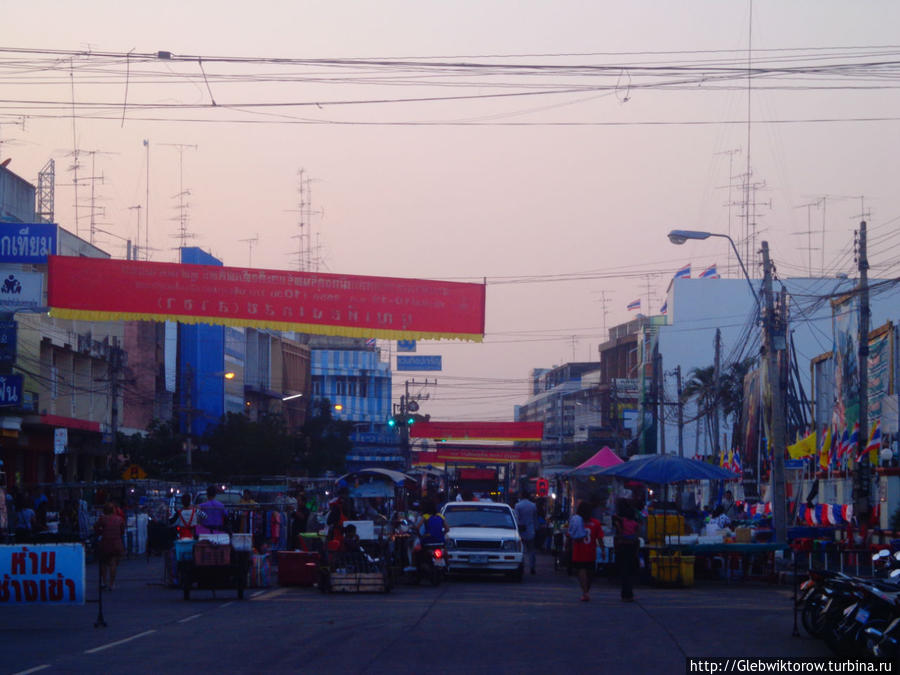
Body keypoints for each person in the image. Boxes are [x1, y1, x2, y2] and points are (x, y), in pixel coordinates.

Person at [568, 501, 603, 602]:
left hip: (579, 550)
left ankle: (585, 592)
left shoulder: (576, 521)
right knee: (590, 571)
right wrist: (603, 549)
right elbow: (600, 537)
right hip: (591, 550)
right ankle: (586, 590)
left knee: (581, 570)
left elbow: (570, 534)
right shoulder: (596, 523)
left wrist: (568, 546)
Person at [613, 498, 640, 602]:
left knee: (624, 572)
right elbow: (637, 536)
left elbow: (619, 532)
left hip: (623, 547)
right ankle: (630, 594)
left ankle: (625, 594)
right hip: (632, 547)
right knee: (630, 572)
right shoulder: (635, 524)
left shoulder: (621, 521)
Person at [95, 502, 126, 590]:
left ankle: (104, 582)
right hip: (116, 543)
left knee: (103, 563)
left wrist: (101, 532)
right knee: (113, 563)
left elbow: (96, 527)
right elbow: (122, 531)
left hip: (105, 542)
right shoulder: (119, 519)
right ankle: (111, 584)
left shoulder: (102, 519)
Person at [514, 491, 539, 575]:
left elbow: (517, 518)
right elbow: (535, 519)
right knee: (531, 550)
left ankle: (521, 566)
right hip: (531, 530)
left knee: (522, 550)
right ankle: (532, 567)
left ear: (521, 496)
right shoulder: (533, 505)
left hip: (521, 530)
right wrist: (536, 528)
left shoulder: (518, 505)